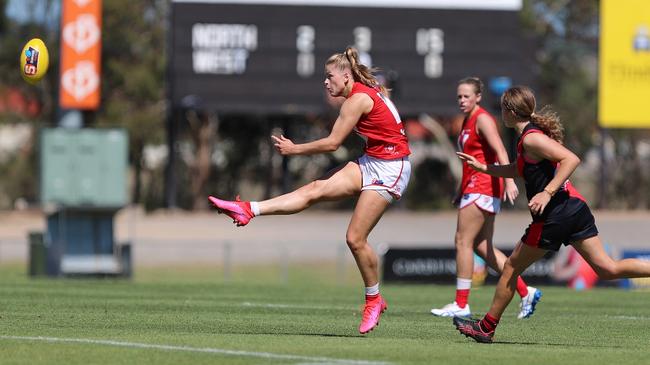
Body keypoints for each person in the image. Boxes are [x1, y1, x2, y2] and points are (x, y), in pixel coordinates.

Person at [208, 46, 411, 335]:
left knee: (355, 238)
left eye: (329, 77)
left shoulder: (356, 100)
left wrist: (294, 149)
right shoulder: (364, 90)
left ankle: (374, 300)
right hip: (374, 161)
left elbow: (332, 144)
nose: (325, 82)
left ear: (346, 76)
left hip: (392, 167)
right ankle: (248, 209)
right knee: (315, 189)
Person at [453, 85, 650, 343]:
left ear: (511, 111)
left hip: (556, 214)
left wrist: (546, 192)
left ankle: (486, 328)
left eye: (502, 107)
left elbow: (571, 159)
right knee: (607, 269)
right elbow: (519, 169)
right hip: (574, 208)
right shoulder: (526, 139)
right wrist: (485, 168)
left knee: (511, 267)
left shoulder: (532, 138)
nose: (500, 111)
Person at [431, 77, 542, 320]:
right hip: (475, 187)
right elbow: (469, 159)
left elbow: (501, 150)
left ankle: (461, 303)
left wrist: (509, 180)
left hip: (483, 186)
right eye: (459, 96)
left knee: (462, 241)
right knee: (485, 249)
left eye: (466, 96)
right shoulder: (467, 120)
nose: (462, 100)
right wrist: (461, 189)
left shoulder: (482, 119)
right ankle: (526, 291)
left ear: (478, 97)